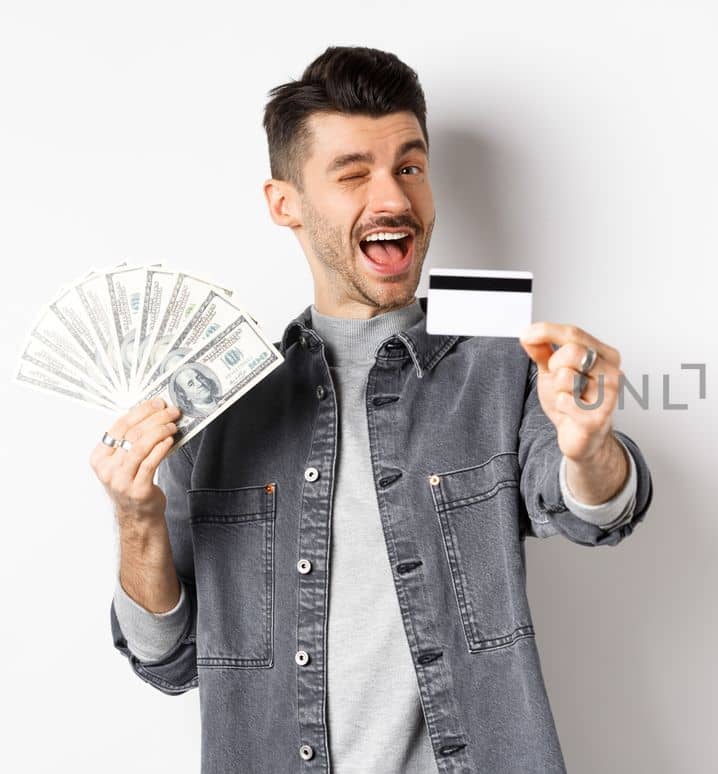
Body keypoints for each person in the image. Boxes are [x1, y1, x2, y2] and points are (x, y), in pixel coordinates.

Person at [87, 46, 651, 773]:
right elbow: (167, 662)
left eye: (409, 168)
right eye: (353, 174)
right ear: (284, 203)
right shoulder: (218, 406)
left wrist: (589, 448)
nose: (392, 199)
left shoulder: (504, 364)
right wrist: (135, 523)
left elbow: (593, 511)